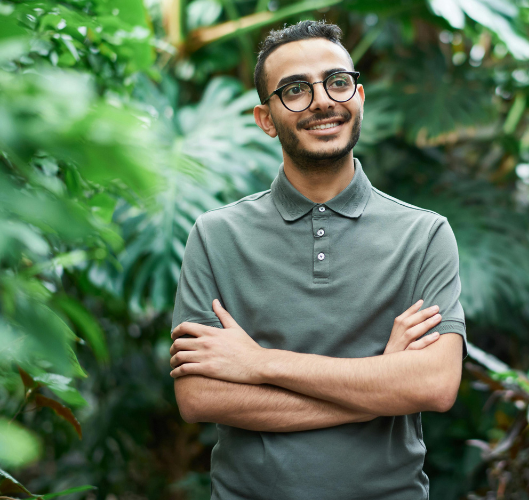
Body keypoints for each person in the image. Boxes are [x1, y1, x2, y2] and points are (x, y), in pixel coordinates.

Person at [168, 19, 468, 500]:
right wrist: (377, 392)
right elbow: (201, 397)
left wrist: (259, 363)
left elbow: (433, 385)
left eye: (337, 82)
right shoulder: (216, 235)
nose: (323, 100)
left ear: (359, 96)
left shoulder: (424, 234)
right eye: (294, 90)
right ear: (265, 119)